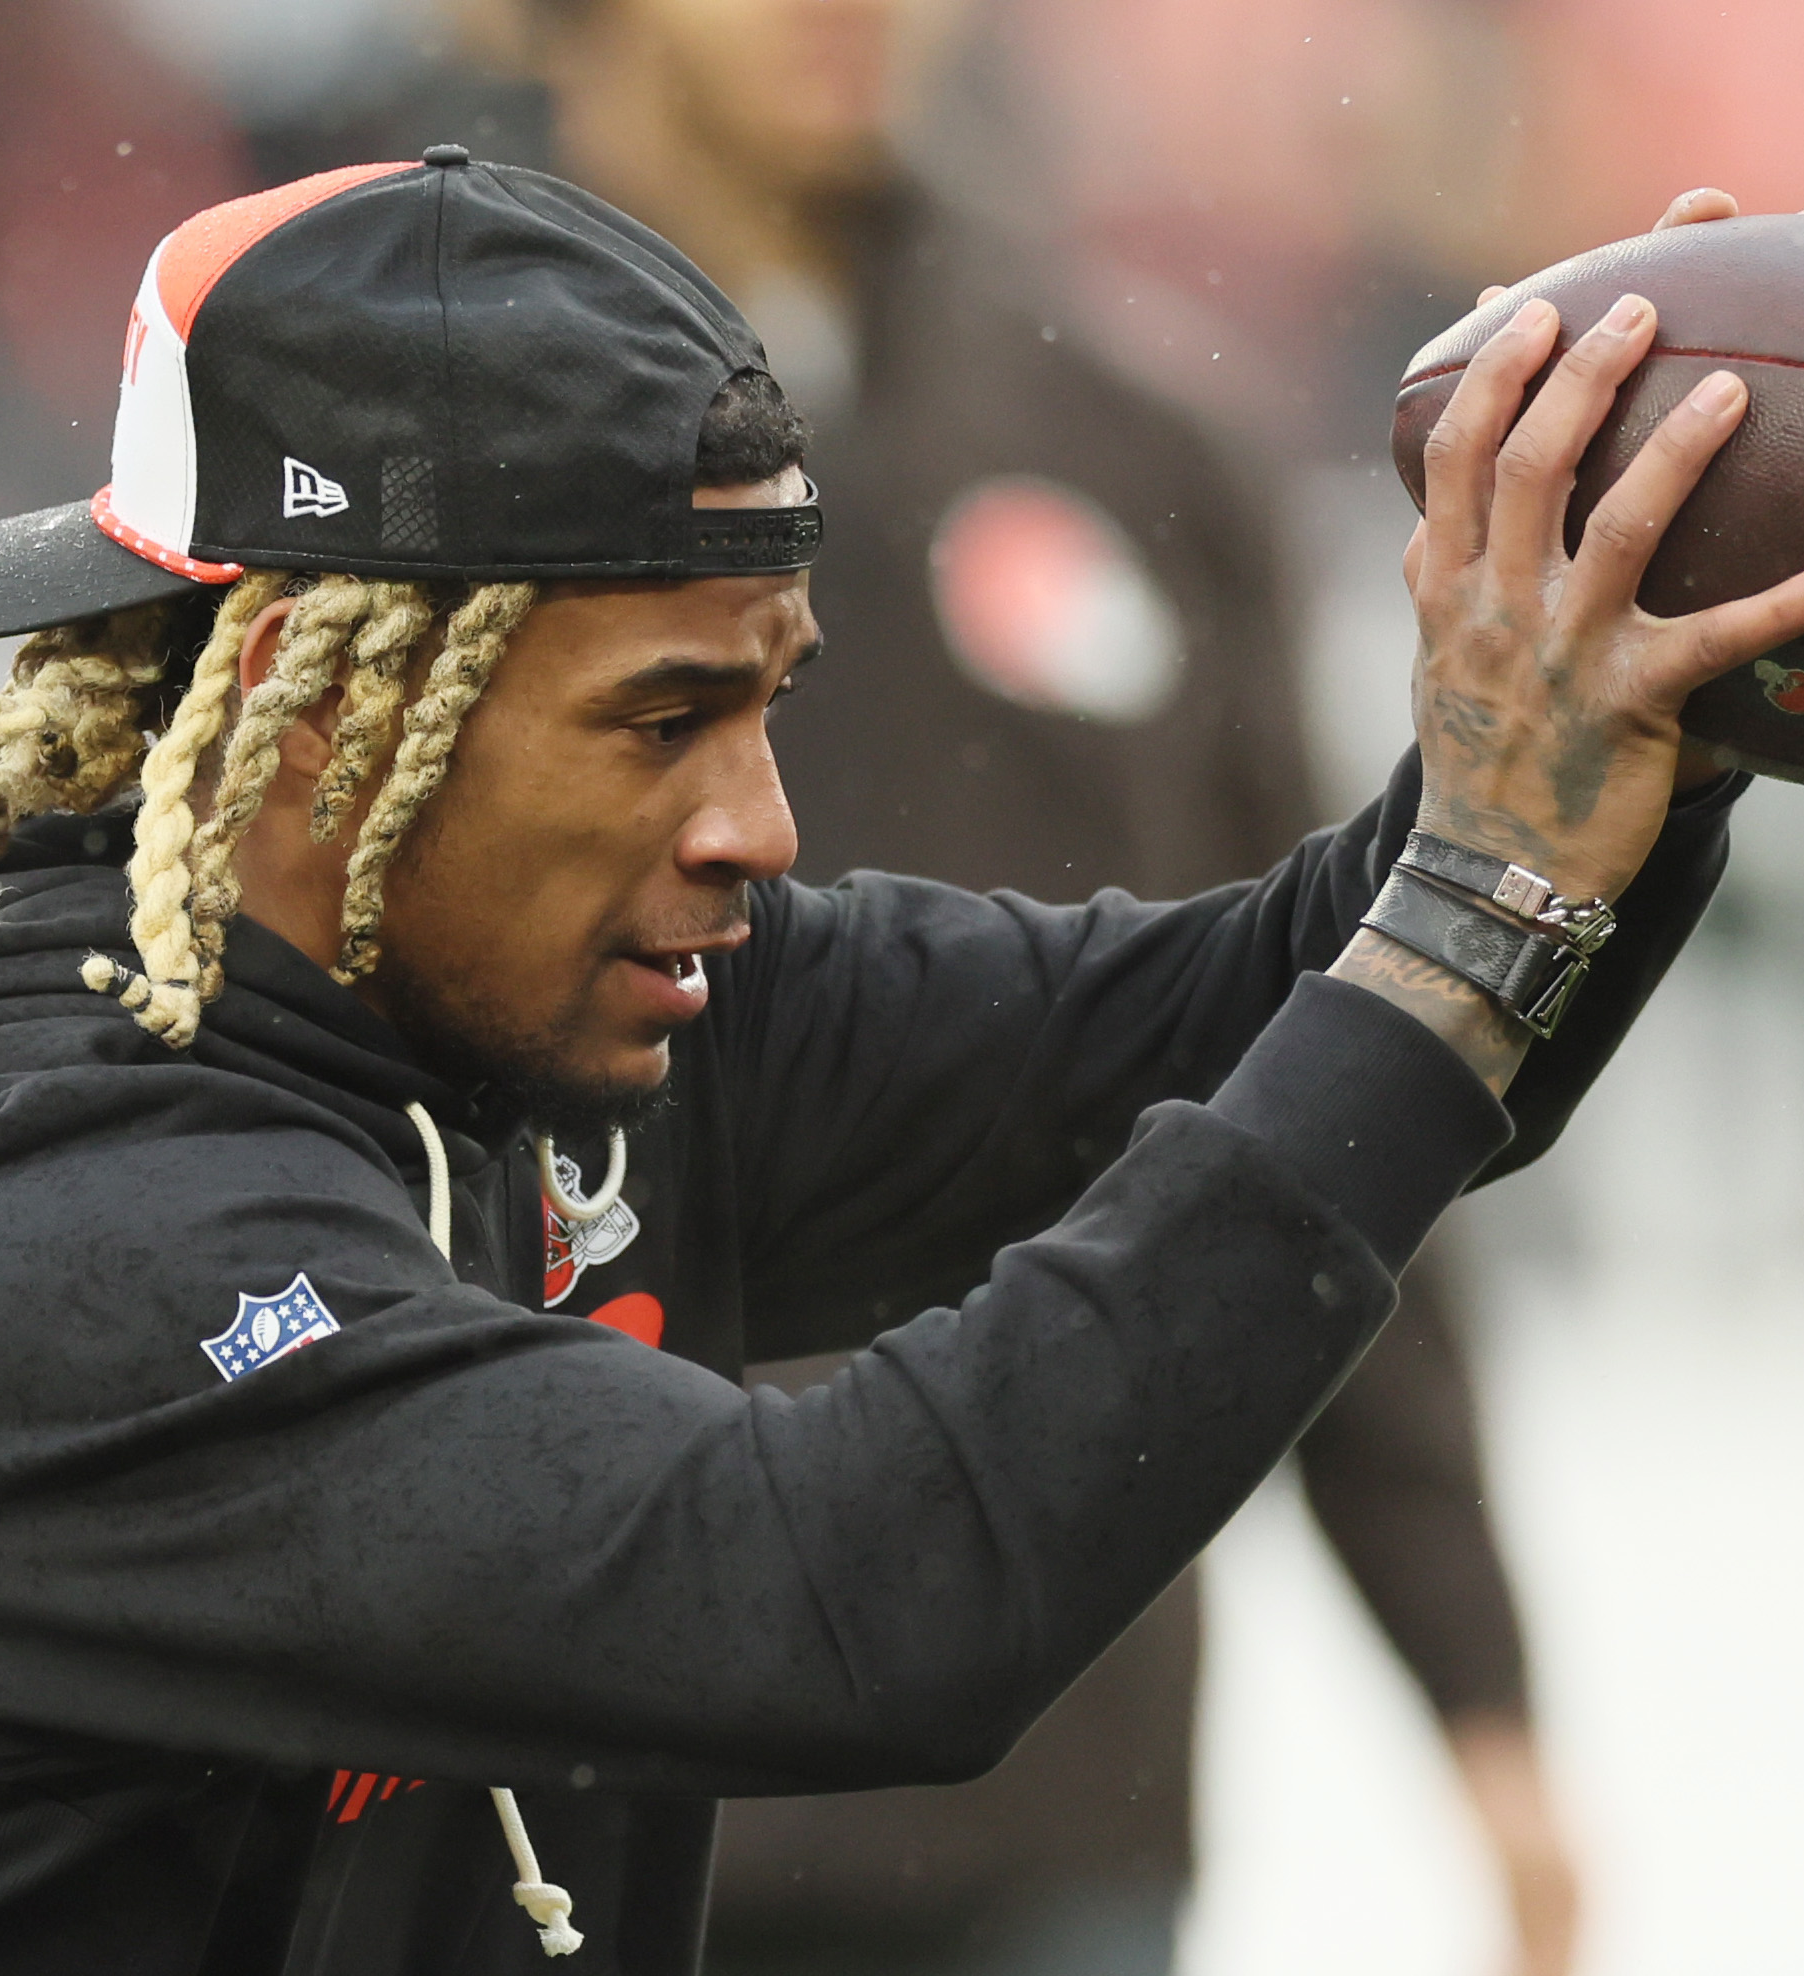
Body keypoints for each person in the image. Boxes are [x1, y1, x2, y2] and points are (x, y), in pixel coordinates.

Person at [0, 154, 1804, 1972]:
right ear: (315, 705)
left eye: (767, 696)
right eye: (664, 718)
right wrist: (1484, 903)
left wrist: (1648, 714)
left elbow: (1294, 1036)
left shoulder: (537, 1012)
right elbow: (851, 1594)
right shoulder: (37, 1250)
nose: (760, 827)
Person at [362, 2, 1586, 1966]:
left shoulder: (1137, 456)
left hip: (1048, 1765)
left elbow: (1343, 1065)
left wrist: (1484, 1697)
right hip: (543, 1767)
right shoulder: (362, 463)